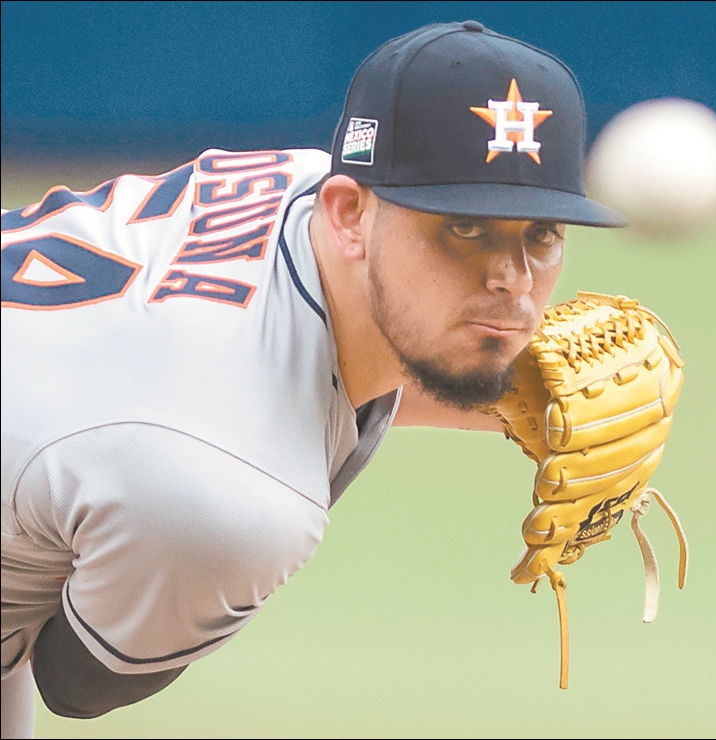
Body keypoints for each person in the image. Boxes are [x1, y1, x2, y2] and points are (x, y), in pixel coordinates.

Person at [0, 20, 623, 738]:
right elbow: (78, 681)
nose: (512, 282)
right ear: (349, 215)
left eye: (540, 235)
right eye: (463, 228)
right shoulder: (226, 492)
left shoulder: (303, 183)